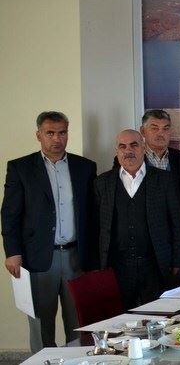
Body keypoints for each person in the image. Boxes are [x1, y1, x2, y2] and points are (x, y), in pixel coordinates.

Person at [2, 111, 97, 352]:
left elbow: (92, 215)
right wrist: (12, 252)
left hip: (76, 257)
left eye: (62, 132)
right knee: (41, 324)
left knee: (79, 323)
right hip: (38, 257)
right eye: (50, 133)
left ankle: (78, 360)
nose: (57, 138)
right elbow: (10, 214)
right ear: (39, 135)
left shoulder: (85, 167)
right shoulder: (21, 168)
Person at [95, 130, 180, 308]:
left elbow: (177, 223)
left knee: (157, 315)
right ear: (117, 151)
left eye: (134, 145)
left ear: (143, 148)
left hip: (155, 265)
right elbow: (96, 227)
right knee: (121, 317)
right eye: (122, 146)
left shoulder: (164, 180)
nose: (128, 150)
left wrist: (177, 260)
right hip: (118, 267)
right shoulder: (102, 182)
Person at [111, 109, 180, 173]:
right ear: (143, 131)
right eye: (154, 128)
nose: (161, 133)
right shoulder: (126, 158)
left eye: (165, 128)